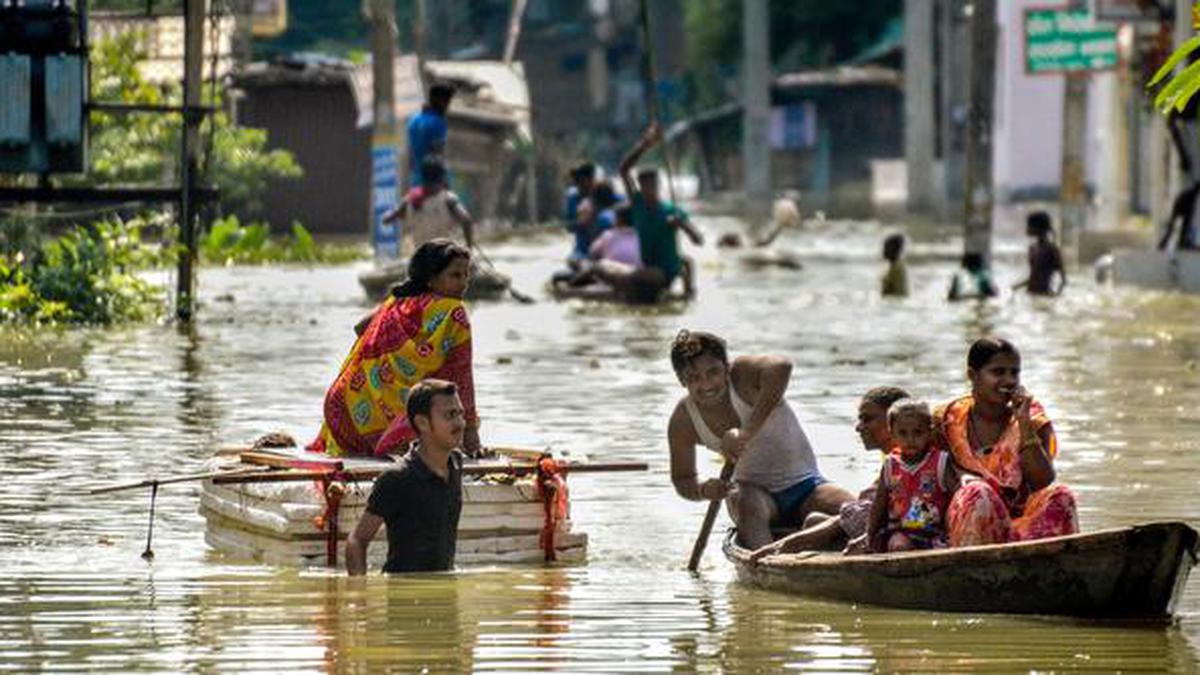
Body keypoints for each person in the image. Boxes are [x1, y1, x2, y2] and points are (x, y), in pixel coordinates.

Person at [666, 330, 855, 549]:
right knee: (747, 500)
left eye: (713, 372)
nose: (707, 384)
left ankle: (823, 529)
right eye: (694, 378)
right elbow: (683, 479)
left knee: (859, 512)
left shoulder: (742, 375)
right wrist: (704, 490)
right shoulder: (683, 420)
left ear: (726, 368)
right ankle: (766, 559)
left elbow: (782, 366)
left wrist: (746, 432)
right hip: (752, 496)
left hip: (805, 486)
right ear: (681, 380)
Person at [308, 240, 482, 458]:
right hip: (381, 425)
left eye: (466, 275)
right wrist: (472, 439)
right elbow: (462, 379)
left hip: (343, 408)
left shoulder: (400, 300)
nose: (464, 283)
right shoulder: (454, 312)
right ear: (431, 278)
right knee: (439, 418)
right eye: (455, 275)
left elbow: (361, 327)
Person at [936, 338, 1078, 546]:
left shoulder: (1031, 418)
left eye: (1014, 373)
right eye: (998, 372)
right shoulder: (946, 420)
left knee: (1061, 495)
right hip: (968, 522)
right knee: (979, 493)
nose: (1009, 381)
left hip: (1020, 524)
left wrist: (1023, 422)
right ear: (973, 376)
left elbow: (1042, 481)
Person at [748, 386, 911, 561]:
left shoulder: (908, 460)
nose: (859, 427)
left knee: (820, 523)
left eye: (867, 419)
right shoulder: (892, 460)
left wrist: (783, 545)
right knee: (815, 520)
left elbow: (855, 516)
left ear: (893, 421)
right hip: (885, 529)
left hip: (905, 534)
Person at [346, 379, 466, 575]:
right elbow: (357, 541)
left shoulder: (456, 464)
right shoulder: (398, 478)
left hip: (444, 592)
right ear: (422, 423)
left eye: (461, 414)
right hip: (403, 597)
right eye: (450, 415)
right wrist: (358, 597)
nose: (460, 423)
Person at [615, 124, 704, 300]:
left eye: (653, 186)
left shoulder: (672, 210)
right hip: (649, 269)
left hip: (664, 273)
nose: (651, 190)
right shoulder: (638, 204)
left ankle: (684, 292)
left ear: (659, 186)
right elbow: (624, 170)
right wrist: (645, 144)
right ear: (641, 187)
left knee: (683, 263)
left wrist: (682, 225)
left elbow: (698, 240)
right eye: (646, 186)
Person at [865, 399, 960, 552]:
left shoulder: (940, 462)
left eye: (918, 432)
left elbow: (957, 497)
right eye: (902, 433)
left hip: (935, 532)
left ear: (929, 433)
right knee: (899, 545)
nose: (910, 440)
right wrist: (868, 534)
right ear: (892, 435)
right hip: (901, 531)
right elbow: (879, 504)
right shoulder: (891, 465)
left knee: (943, 549)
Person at [384, 157, 476, 256]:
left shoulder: (410, 199)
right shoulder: (448, 199)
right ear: (442, 176)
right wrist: (469, 247)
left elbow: (387, 219)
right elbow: (466, 220)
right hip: (444, 257)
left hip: (421, 258)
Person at [407, 82, 455, 187]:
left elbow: (410, 157)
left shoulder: (413, 120)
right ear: (440, 101)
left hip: (415, 181)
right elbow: (437, 155)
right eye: (447, 102)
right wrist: (446, 182)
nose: (448, 107)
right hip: (432, 184)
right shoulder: (438, 123)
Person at [1013, 212, 1066, 296]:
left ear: (1038, 228)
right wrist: (1018, 286)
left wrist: (1056, 296)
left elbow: (1063, 280)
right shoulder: (1032, 249)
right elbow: (1034, 277)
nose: (1026, 228)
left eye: (1029, 225)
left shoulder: (1052, 249)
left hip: (1045, 296)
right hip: (1030, 295)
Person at [564, 163, 597, 266]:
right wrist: (579, 223)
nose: (579, 185)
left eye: (582, 181)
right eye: (576, 182)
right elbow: (568, 227)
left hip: (606, 250)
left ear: (592, 180)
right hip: (582, 250)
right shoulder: (572, 197)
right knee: (573, 261)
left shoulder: (603, 193)